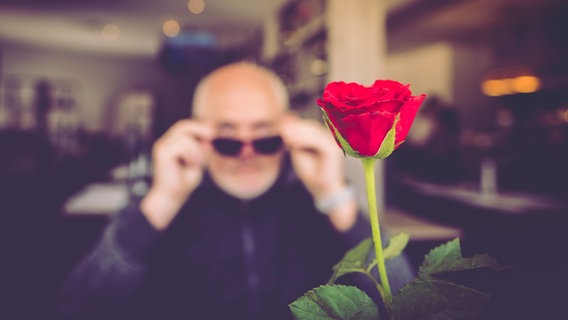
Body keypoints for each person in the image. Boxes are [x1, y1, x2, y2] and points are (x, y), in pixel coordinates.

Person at [57, 61, 414, 320]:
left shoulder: (316, 194)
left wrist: (334, 197)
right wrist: (160, 204)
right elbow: (78, 307)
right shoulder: (162, 196)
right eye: (228, 138)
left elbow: (405, 303)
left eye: (264, 137)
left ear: (287, 131)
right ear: (198, 134)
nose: (246, 154)